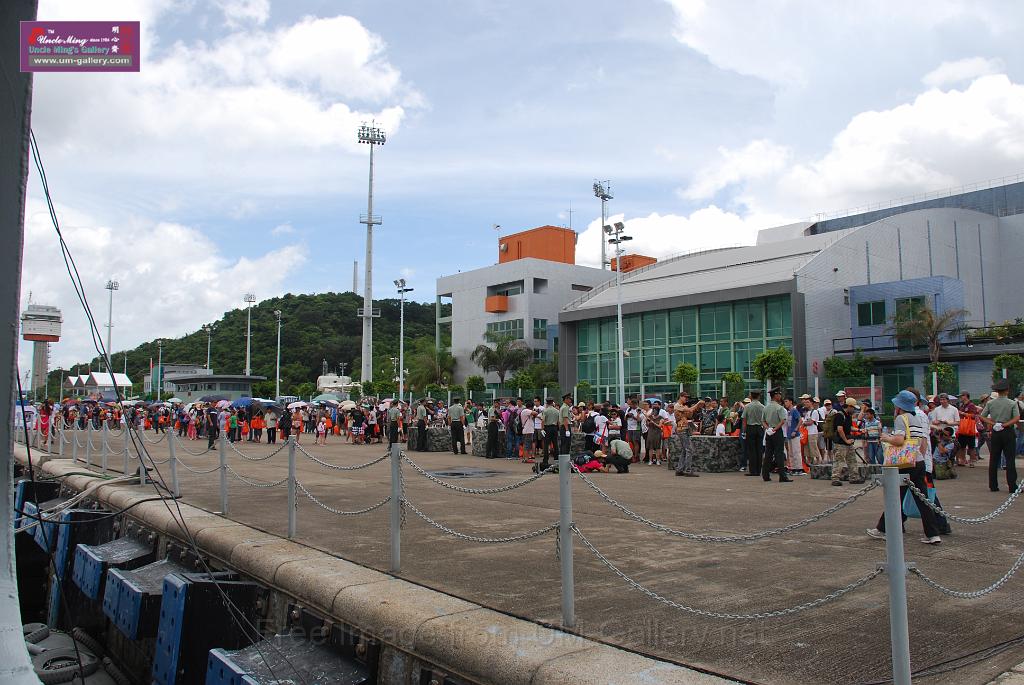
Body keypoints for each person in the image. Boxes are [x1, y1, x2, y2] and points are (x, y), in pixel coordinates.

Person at [867, 390, 943, 544]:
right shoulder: (917, 418)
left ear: (899, 405)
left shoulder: (901, 418)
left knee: (895, 497)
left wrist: (887, 437)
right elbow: (922, 441)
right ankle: (933, 534)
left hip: (904, 463)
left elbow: (899, 440)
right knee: (923, 500)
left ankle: (883, 529)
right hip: (918, 461)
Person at [981, 379, 1021, 493]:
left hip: (996, 431)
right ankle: (1012, 486)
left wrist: (994, 424)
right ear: (1007, 390)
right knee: (1010, 459)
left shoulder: (990, 403)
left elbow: (982, 416)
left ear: (997, 391)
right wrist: (1005, 424)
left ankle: (993, 485)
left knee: (994, 459)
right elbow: (1016, 418)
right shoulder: (1012, 403)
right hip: (1007, 431)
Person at [761, 389, 792, 483]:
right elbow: (782, 421)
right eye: (779, 394)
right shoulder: (779, 408)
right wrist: (775, 429)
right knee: (779, 453)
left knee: (768, 454)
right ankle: (782, 476)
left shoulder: (766, 408)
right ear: (775, 396)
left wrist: (768, 429)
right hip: (777, 432)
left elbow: (763, 421)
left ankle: (765, 475)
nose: (780, 396)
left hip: (769, 431)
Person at [830, 397, 861, 485]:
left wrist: (858, 430)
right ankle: (835, 478)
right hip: (840, 443)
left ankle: (854, 477)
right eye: (853, 408)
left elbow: (849, 427)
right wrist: (846, 440)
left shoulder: (848, 416)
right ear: (849, 406)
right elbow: (840, 429)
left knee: (852, 460)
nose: (854, 410)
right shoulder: (840, 415)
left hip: (848, 442)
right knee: (839, 461)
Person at [674, 392, 704, 477]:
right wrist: (697, 404)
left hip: (684, 428)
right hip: (682, 429)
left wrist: (696, 406)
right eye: (685, 397)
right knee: (689, 450)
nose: (686, 399)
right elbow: (690, 411)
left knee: (685, 450)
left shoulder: (683, 406)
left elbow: (690, 415)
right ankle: (688, 470)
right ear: (680, 397)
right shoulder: (677, 405)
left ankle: (679, 469)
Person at [742, 391, 765, 476]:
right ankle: (759, 470)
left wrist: (744, 431)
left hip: (750, 428)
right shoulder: (762, 406)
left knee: (751, 450)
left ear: (751, 396)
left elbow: (744, 420)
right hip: (759, 428)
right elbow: (764, 420)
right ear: (759, 396)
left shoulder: (747, 407)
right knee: (759, 449)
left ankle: (753, 471)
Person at [784, 396, 803, 475]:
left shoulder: (794, 411)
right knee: (791, 452)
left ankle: (798, 468)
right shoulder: (788, 412)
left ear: (791, 402)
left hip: (795, 434)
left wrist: (795, 430)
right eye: (785, 402)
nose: (785, 403)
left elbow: (800, 420)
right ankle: (792, 467)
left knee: (796, 451)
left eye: (786, 401)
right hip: (789, 434)